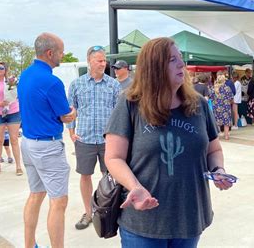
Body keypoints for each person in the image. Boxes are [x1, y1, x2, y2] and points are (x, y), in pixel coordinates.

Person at [104, 37, 234, 247]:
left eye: (180, 58)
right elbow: (113, 157)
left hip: (189, 218)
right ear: (154, 67)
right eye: (172, 60)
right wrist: (134, 187)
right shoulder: (130, 103)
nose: (181, 64)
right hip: (144, 222)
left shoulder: (198, 105)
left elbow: (213, 149)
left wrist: (218, 169)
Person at [18, 32, 76, 248]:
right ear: (50, 53)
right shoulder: (52, 81)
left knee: (35, 194)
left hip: (28, 143)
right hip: (47, 146)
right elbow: (65, 115)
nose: (62, 55)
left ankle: (28, 244)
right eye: (61, 51)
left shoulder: (25, 75)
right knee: (59, 201)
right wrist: (73, 113)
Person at [67, 45, 121, 230]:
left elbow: (118, 113)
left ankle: (111, 211)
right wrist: (71, 133)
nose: (103, 63)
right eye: (99, 60)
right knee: (85, 176)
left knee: (112, 176)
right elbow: (70, 110)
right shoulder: (77, 84)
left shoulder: (114, 85)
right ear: (89, 61)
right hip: (85, 140)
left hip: (109, 141)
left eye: (104, 60)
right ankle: (88, 213)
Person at [210, 74, 234, 140]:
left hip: (216, 107)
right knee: (226, 122)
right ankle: (226, 136)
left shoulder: (213, 88)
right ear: (224, 80)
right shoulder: (227, 88)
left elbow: (211, 98)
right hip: (226, 107)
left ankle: (217, 136)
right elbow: (231, 98)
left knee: (217, 122)